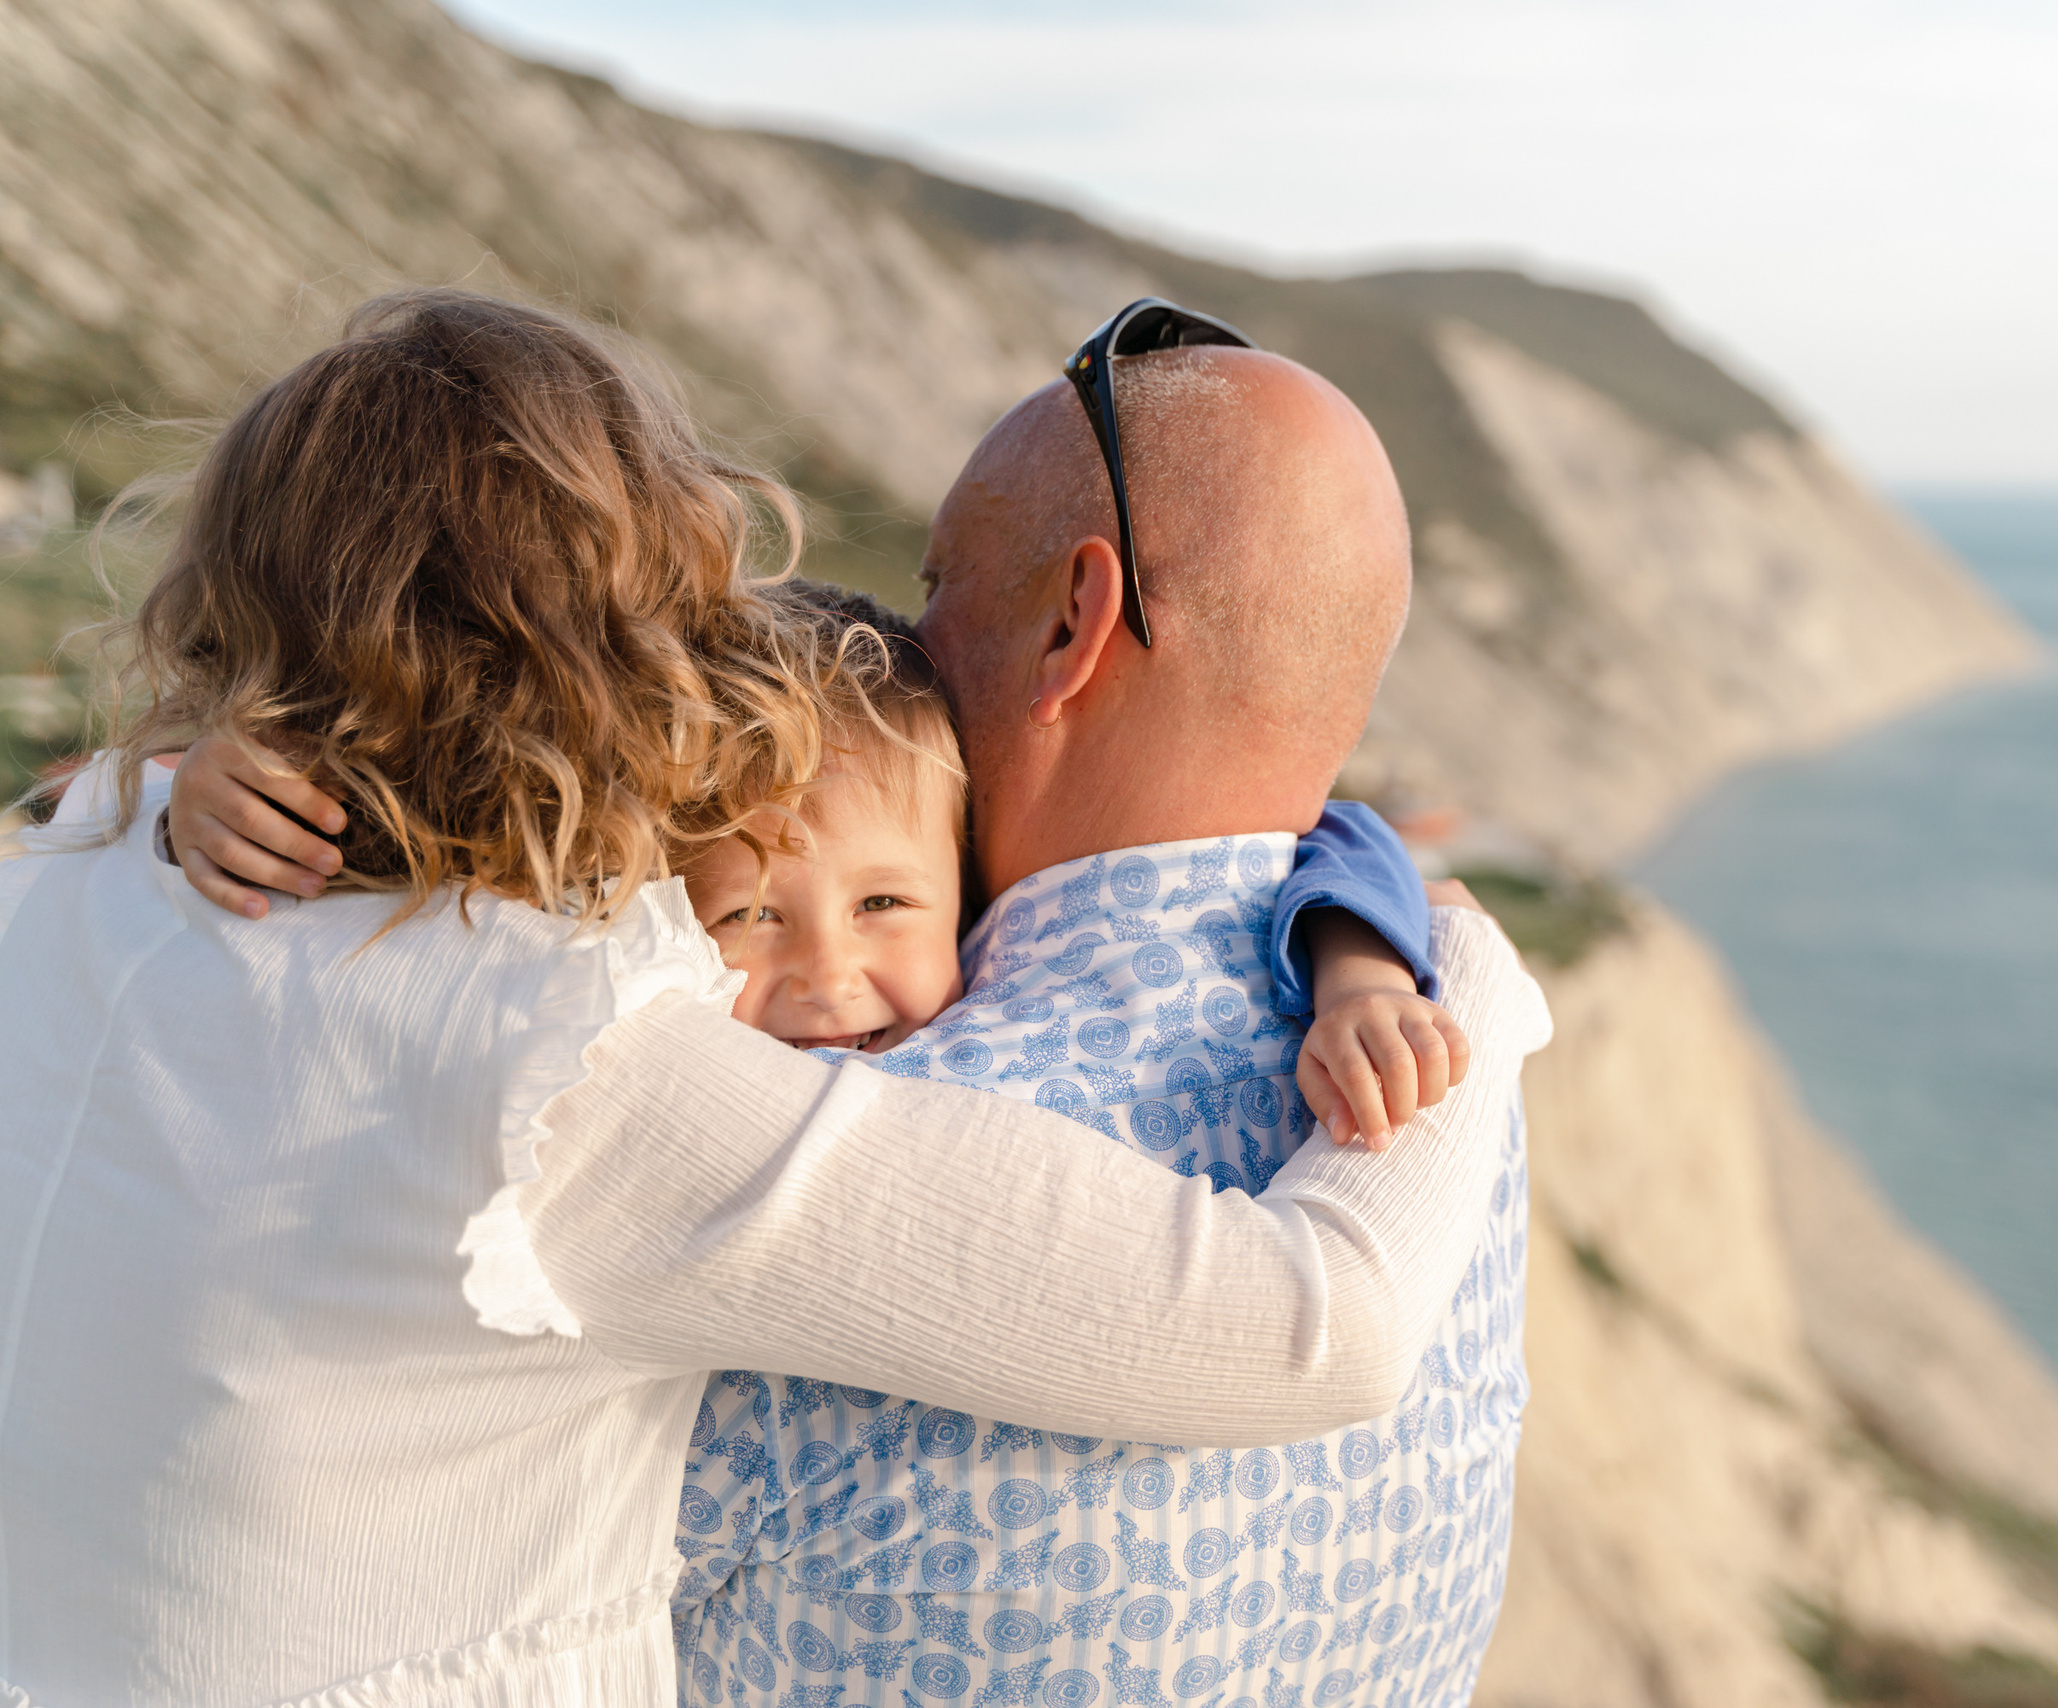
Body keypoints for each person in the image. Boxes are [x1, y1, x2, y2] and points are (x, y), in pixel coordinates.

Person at [0, 291, 1547, 1706]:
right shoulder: (586, 1086)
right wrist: (1467, 970)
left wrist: (160, 779)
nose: (905, 646)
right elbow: (1310, 1325)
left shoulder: (68, 882)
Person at [661, 345, 1536, 1706]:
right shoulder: (1446, 1053)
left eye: (940, 590)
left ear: (1075, 622)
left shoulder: (831, 1163)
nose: (907, 652)